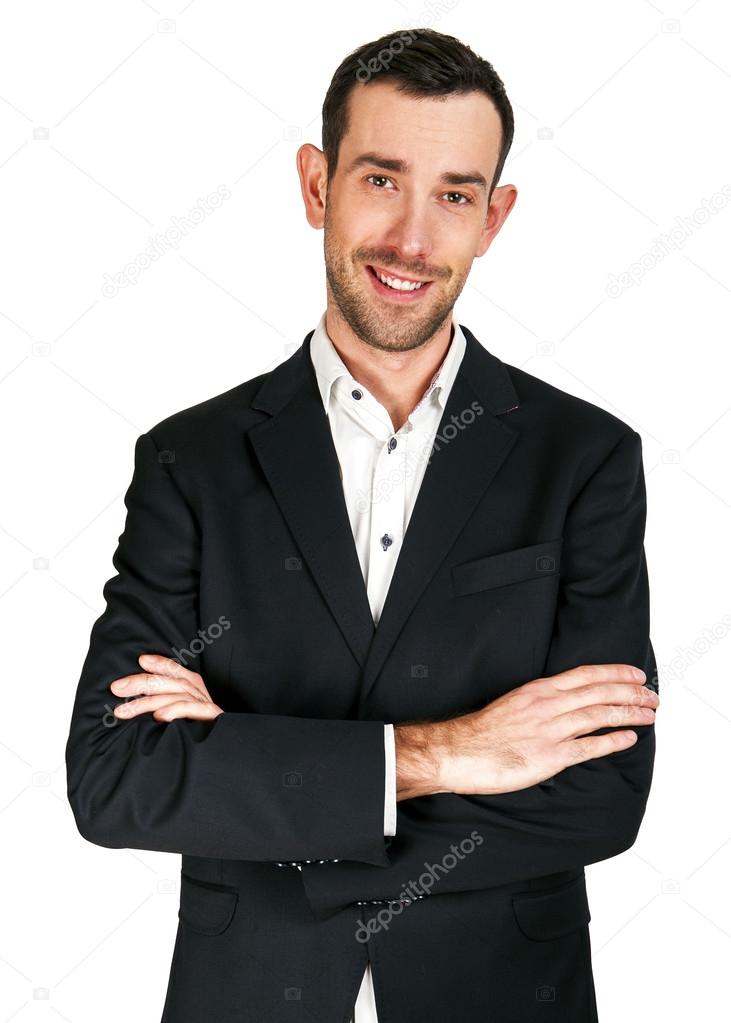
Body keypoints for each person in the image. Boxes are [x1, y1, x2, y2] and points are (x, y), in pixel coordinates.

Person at [65, 27, 659, 1022]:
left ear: (493, 217)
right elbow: (114, 778)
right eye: (381, 181)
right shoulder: (191, 462)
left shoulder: (585, 459)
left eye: (454, 195)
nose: (412, 241)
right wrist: (446, 754)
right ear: (315, 186)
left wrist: (262, 787)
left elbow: (599, 792)